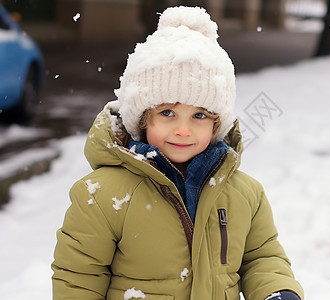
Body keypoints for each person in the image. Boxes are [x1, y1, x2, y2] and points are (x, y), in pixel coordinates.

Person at [52, 6, 304, 300]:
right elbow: (79, 276)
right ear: (143, 118)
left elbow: (261, 256)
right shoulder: (102, 196)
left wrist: (277, 291)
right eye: (168, 112)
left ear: (216, 123)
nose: (183, 130)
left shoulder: (245, 194)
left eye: (199, 116)